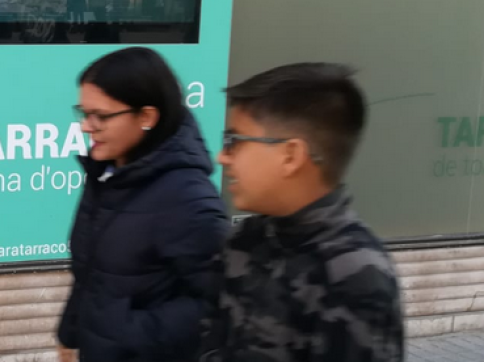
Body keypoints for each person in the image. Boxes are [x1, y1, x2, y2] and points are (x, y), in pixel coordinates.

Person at [200, 64, 403, 362]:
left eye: (234, 142)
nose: (222, 157)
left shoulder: (355, 276)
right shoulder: (244, 241)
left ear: (290, 155)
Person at [57, 47, 227, 362]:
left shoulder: (189, 200)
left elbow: (219, 306)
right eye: (84, 113)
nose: (86, 126)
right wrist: (70, 336)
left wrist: (125, 332)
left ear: (147, 116)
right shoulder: (108, 174)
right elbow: (92, 276)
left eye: (101, 116)